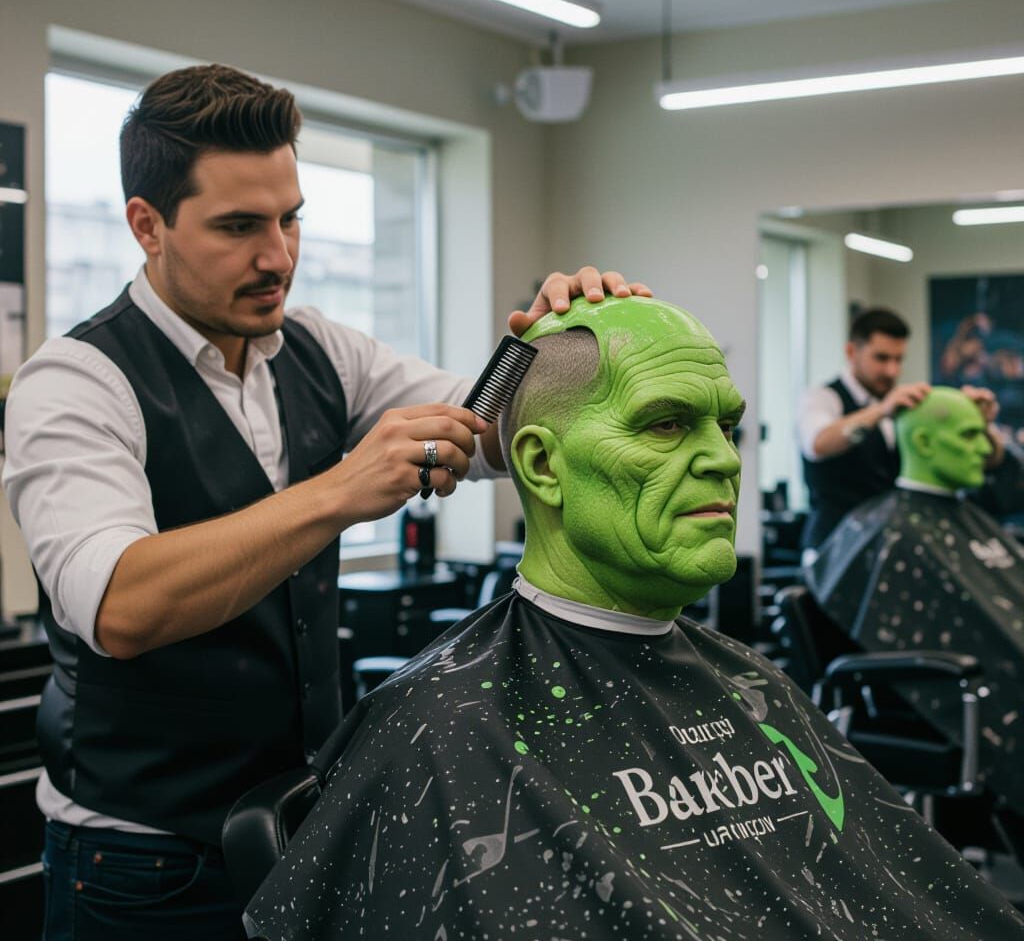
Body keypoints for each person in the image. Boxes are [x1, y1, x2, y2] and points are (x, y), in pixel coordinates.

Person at [0, 63, 653, 940]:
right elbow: (120, 605)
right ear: (146, 226)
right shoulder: (75, 384)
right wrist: (344, 489)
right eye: (238, 227)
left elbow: (484, 427)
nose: (277, 256)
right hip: (142, 867)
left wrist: (548, 351)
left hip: (299, 823)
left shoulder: (312, 348)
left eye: (289, 218)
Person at [244, 296, 1023, 941]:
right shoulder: (443, 728)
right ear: (544, 467)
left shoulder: (749, 681)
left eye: (725, 425)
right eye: (664, 424)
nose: (723, 459)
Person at [808, 386, 1024, 828]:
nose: (985, 449)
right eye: (969, 436)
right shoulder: (887, 532)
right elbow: (817, 442)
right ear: (924, 443)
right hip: (936, 701)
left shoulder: (966, 513)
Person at [797, 307, 1005, 552]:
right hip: (832, 552)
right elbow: (817, 444)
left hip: (885, 544)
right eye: (881, 358)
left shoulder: (905, 405)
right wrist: (882, 410)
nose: (892, 371)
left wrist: (981, 423)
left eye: (898, 359)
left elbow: (989, 459)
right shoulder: (823, 398)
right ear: (852, 352)